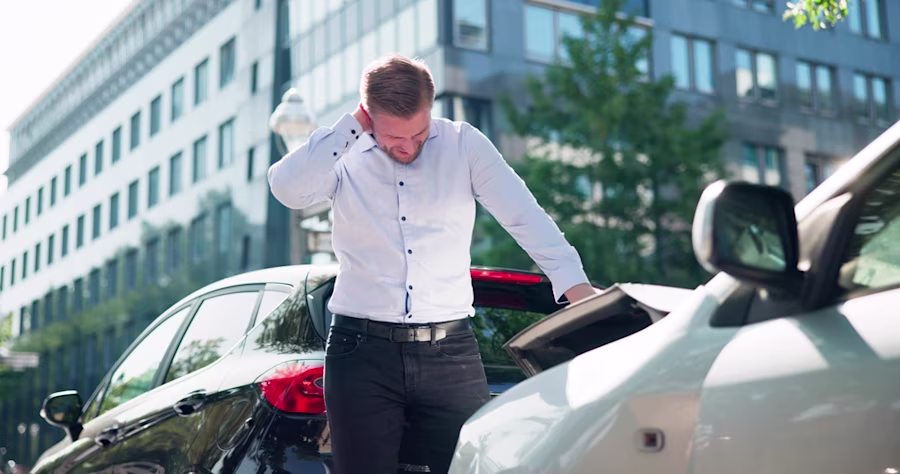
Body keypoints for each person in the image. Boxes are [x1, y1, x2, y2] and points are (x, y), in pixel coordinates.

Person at [267, 55, 597, 474]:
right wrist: (352, 126)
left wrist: (575, 287)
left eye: (419, 134)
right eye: (392, 137)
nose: (407, 147)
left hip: (451, 355)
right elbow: (287, 189)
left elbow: (526, 218)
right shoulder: (344, 153)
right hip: (361, 356)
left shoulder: (464, 145)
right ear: (368, 116)